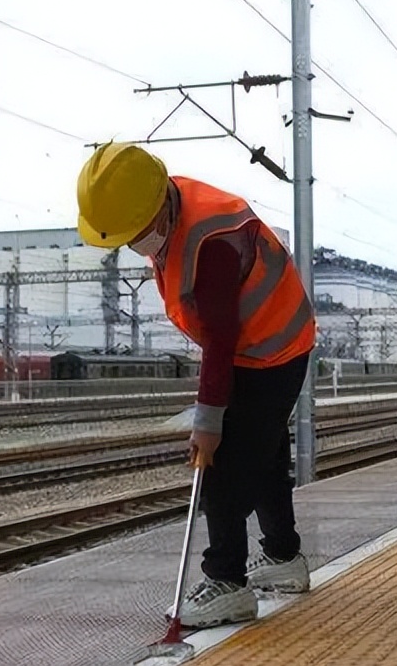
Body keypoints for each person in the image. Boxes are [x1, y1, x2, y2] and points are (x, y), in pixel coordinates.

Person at [77, 143, 316, 629]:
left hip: (272, 346)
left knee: (224, 464)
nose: (133, 245)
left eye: (136, 235)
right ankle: (284, 559)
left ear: (160, 206)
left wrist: (207, 422)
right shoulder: (161, 211)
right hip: (262, 343)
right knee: (265, 454)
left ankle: (226, 582)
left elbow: (220, 339)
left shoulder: (212, 241)